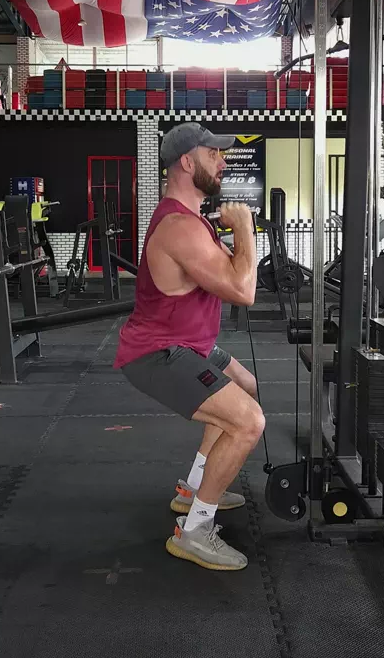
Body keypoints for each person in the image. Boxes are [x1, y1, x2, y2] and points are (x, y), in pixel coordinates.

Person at [114, 122, 264, 571]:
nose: (222, 161)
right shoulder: (180, 226)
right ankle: (195, 530)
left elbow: (228, 275)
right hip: (160, 352)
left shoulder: (193, 219)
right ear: (185, 162)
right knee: (248, 422)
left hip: (192, 343)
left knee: (246, 386)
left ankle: (194, 486)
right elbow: (244, 290)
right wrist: (244, 227)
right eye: (213, 152)